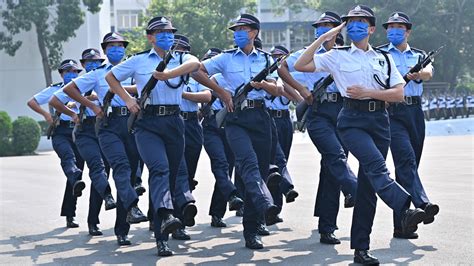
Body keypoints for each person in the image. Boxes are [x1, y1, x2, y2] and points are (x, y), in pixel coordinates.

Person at [294, 5, 428, 264]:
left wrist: (369, 93)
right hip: (352, 121)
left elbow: (399, 93)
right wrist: (324, 38)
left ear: (371, 28)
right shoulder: (338, 55)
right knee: (377, 166)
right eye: (350, 22)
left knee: (368, 187)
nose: (354, 26)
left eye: (360, 22)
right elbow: (302, 64)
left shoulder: (383, 58)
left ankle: (361, 250)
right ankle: (405, 207)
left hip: (380, 121)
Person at [105, 16, 200, 257]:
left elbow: (195, 64)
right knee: (159, 169)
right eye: (160, 32)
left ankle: (163, 233)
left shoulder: (180, 58)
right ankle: (165, 218)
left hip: (174, 121)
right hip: (147, 123)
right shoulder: (137, 61)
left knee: (172, 175)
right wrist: (128, 100)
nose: (166, 36)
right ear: (150, 37)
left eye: (169, 32)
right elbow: (111, 78)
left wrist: (168, 74)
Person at [192, 13, 281, 250]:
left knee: (260, 170)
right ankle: (264, 203)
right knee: (247, 164)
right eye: (236, 29)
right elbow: (196, 71)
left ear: (254, 32)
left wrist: (265, 85)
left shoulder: (265, 58)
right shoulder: (225, 58)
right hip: (235, 118)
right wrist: (220, 92)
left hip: (261, 116)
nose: (238, 33)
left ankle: (252, 229)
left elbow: (276, 89)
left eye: (243, 29)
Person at [278, 11, 357, 245]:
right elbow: (282, 67)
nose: (322, 30)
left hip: (344, 111)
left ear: (337, 29)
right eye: (319, 26)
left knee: (331, 167)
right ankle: (353, 188)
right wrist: (301, 90)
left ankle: (327, 226)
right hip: (319, 112)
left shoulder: (348, 53)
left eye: (327, 26)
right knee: (335, 156)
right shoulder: (308, 53)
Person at [63, 32, 148, 246]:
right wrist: (92, 105)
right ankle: (130, 207)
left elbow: (145, 86)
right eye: (111, 46)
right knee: (118, 167)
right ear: (105, 50)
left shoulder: (134, 68)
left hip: (133, 123)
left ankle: (122, 228)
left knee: (129, 176)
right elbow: (69, 89)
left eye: (120, 45)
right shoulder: (98, 73)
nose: (116, 49)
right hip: (109, 125)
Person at [379, 11, 439, 239]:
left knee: (409, 167)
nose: (394, 30)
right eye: (390, 27)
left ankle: (403, 224)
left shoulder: (419, 55)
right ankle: (423, 203)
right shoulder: (381, 54)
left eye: (399, 27)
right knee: (406, 159)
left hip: (415, 110)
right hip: (392, 111)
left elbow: (429, 72)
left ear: (408, 31)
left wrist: (417, 75)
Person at [49, 48, 117, 237]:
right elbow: (56, 100)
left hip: (104, 128)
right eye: (89, 61)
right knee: (84, 173)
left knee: (102, 174)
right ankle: (71, 214)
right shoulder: (78, 84)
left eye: (97, 60)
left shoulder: (107, 77)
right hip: (84, 131)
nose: (93, 64)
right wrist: (73, 112)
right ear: (84, 65)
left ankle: (93, 221)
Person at [26, 59, 86, 228]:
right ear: (61, 74)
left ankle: (69, 214)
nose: (72, 75)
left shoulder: (84, 87)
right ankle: (70, 209)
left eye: (75, 72)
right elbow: (32, 102)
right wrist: (46, 115)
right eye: (68, 72)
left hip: (80, 131)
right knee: (68, 159)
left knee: (76, 176)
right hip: (61, 131)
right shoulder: (54, 90)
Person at [199, 48, 244, 228]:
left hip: (230, 125)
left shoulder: (231, 80)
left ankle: (217, 213)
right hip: (211, 126)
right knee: (220, 164)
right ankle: (232, 194)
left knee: (228, 167)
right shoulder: (206, 84)